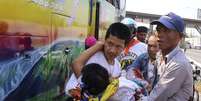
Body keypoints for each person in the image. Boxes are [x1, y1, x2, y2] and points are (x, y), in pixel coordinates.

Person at [65, 22, 131, 95]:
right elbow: (76, 64)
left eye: (118, 46)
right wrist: (98, 46)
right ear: (104, 41)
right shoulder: (93, 57)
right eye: (110, 43)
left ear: (124, 47)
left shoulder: (117, 66)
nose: (112, 50)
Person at [143, 12, 193, 101]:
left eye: (166, 30)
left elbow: (156, 98)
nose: (160, 34)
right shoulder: (160, 55)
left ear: (180, 36)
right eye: (158, 30)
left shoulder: (179, 64)